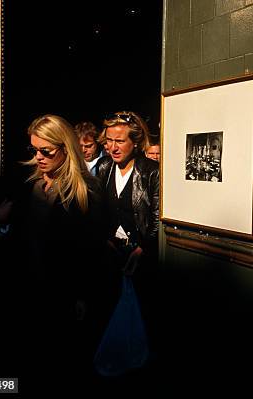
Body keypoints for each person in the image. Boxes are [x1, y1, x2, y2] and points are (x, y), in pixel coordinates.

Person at [8, 114, 107, 390]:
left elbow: (90, 250)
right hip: (30, 286)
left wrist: (83, 294)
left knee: (63, 364)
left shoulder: (86, 190)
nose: (38, 157)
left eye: (46, 151)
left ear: (65, 148)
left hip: (64, 292)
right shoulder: (31, 184)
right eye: (34, 150)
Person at [96, 111, 159, 334]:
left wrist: (143, 249)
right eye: (109, 140)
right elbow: (97, 212)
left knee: (142, 317)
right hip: (111, 252)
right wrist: (105, 240)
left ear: (135, 142)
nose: (112, 147)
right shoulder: (104, 167)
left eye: (120, 141)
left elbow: (157, 218)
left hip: (142, 256)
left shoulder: (151, 172)